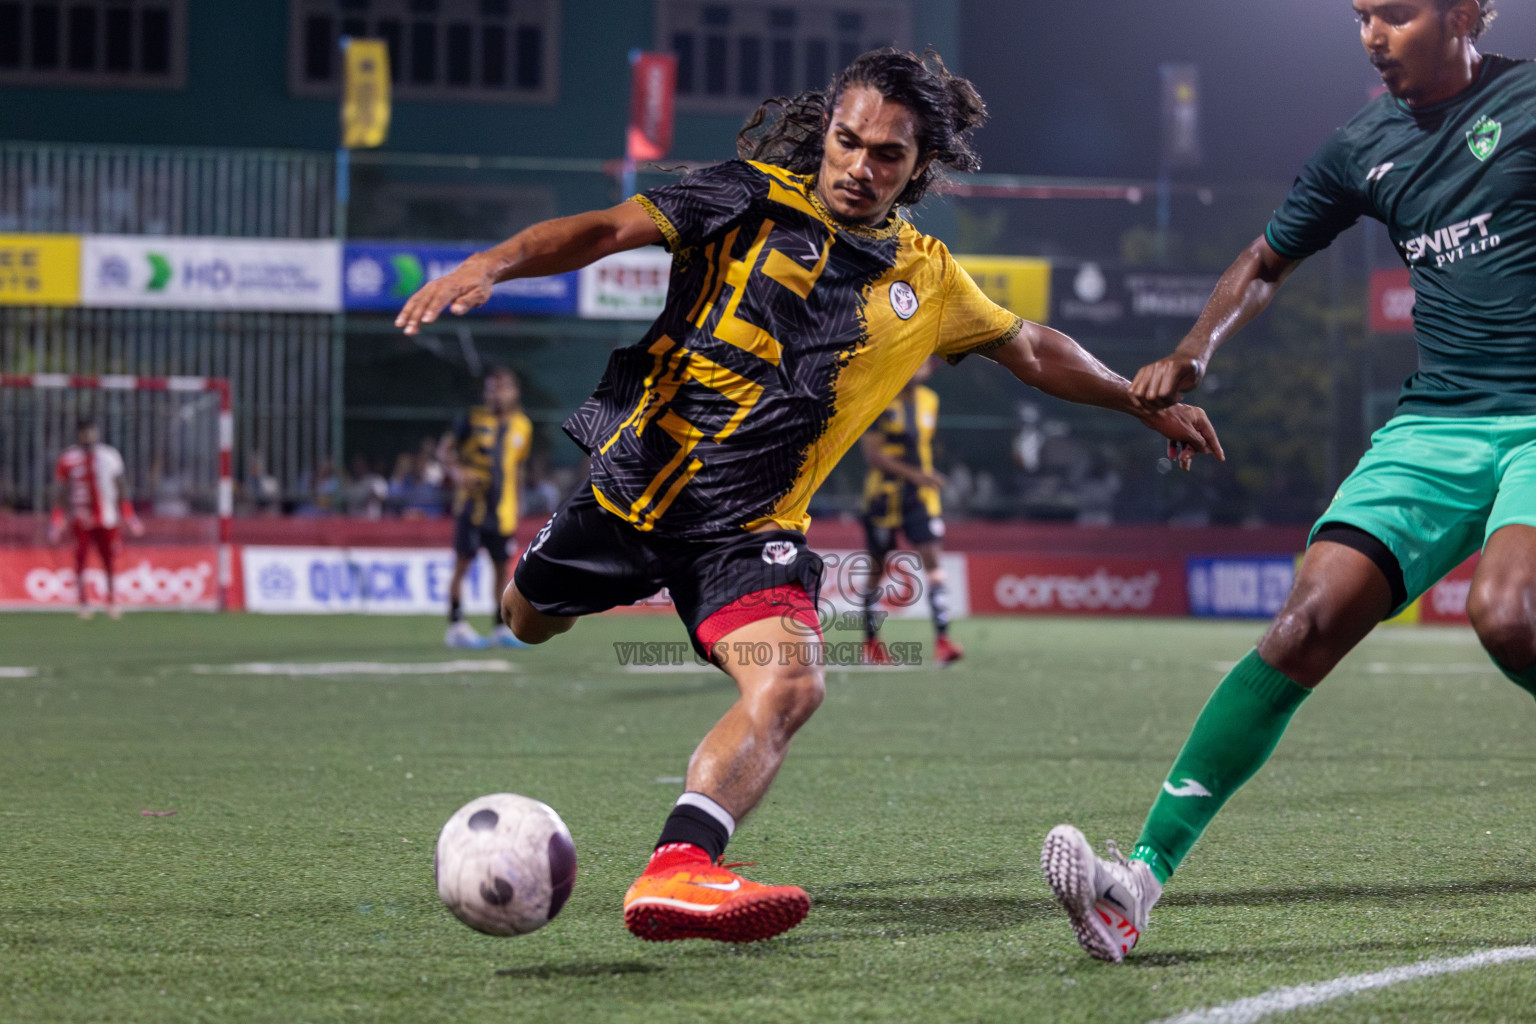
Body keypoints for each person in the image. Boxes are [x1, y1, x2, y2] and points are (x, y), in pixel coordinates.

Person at [397, 48, 1221, 945]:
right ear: (824, 132)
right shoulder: (740, 194)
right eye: (846, 141)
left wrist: (1142, 401)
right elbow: (602, 230)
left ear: (919, 167)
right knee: (526, 617)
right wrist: (493, 261)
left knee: (792, 683)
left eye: (886, 156)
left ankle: (680, 869)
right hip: (633, 492)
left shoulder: (929, 277)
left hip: (750, 533)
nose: (859, 167)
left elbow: (1030, 346)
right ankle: (555, 594)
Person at [1042, 0, 1526, 963]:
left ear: (1469, 9)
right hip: (1436, 426)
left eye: (1396, 12)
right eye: (1360, 16)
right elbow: (1266, 259)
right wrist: (1193, 350)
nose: (1372, 35)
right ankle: (1134, 883)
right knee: (1301, 624)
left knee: (1513, 616)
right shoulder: (1361, 147)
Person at [857, 357, 962, 665]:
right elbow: (873, 455)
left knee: (933, 562)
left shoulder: (930, 401)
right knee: (876, 571)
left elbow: (926, 447)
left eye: (927, 365)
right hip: (882, 497)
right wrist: (916, 475)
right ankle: (871, 642)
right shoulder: (879, 397)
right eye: (916, 362)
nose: (921, 368)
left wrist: (923, 478)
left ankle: (943, 640)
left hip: (921, 499)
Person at [440, 367, 534, 648]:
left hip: (502, 511)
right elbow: (444, 451)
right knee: (462, 564)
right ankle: (456, 626)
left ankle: (499, 628)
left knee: (501, 569)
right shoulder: (471, 419)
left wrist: (517, 503)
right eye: (491, 388)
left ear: (514, 392)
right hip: (471, 506)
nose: (495, 394)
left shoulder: (522, 427)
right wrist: (457, 474)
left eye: (501, 388)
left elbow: (516, 468)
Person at [49, 418, 143, 619]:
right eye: (84, 432)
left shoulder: (109, 456)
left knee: (109, 559)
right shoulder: (68, 458)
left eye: (91, 432)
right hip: (81, 519)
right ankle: (83, 603)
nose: (88, 436)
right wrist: (57, 518)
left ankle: (111, 601)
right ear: (78, 435)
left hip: (107, 518)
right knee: (80, 559)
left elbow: (121, 486)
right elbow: (61, 491)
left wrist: (129, 515)